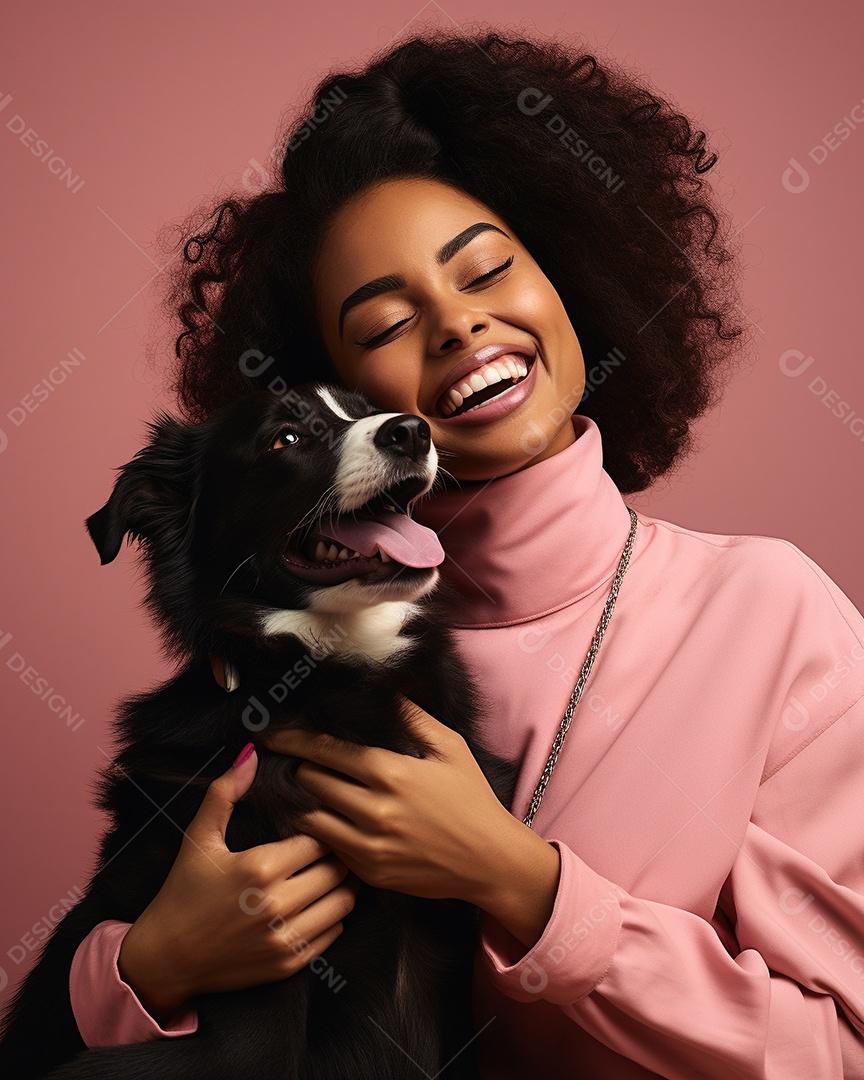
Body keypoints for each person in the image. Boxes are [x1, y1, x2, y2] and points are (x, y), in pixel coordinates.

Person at [3, 26, 864, 1080]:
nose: (457, 326)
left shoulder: (772, 614)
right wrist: (148, 964)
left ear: (571, 272)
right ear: (345, 407)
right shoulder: (288, 661)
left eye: (488, 269)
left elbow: (840, 1050)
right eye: (385, 324)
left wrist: (524, 886)